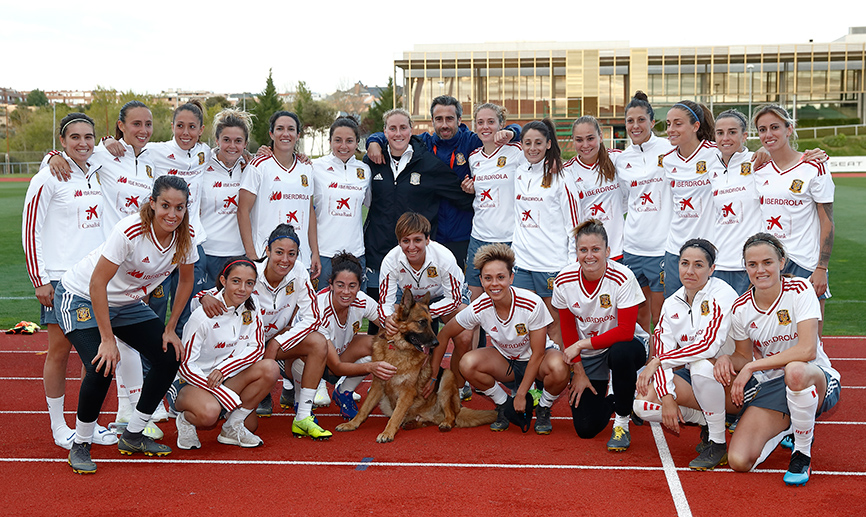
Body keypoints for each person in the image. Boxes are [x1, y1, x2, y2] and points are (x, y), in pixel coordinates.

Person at [54, 175, 196, 474]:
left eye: (179, 208)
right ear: (152, 204)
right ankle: (81, 443)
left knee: (169, 354)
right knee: (101, 363)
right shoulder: (131, 230)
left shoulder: (186, 235)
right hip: (81, 296)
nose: (172, 214)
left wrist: (170, 328)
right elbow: (97, 283)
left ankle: (133, 435)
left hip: (126, 303)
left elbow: (185, 281)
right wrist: (107, 339)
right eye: (165, 206)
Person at [45, 100, 164, 437]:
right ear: (120, 127)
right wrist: (52, 155)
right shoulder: (104, 153)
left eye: (148, 124)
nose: (142, 130)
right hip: (94, 268)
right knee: (91, 348)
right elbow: (73, 153)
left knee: (120, 346)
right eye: (135, 124)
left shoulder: (155, 158)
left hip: (131, 270)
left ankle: (127, 411)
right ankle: (69, 424)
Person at [715, 233, 840, 486]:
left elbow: (807, 351)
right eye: (752, 264)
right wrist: (725, 360)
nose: (760, 270)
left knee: (794, 371)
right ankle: (789, 426)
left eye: (767, 262)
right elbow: (742, 355)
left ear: (782, 262)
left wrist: (752, 365)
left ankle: (802, 453)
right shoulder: (741, 308)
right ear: (746, 267)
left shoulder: (800, 289)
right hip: (773, 387)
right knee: (739, 461)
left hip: (814, 377)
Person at [23, 113, 117, 449]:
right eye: (74, 137)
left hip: (95, 279)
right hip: (61, 281)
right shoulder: (48, 177)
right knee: (59, 352)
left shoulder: (98, 171)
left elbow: (113, 146)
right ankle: (58, 426)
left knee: (94, 356)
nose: (82, 143)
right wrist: (40, 278)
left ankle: (85, 423)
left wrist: (108, 144)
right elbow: (30, 228)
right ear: (62, 142)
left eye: (88, 137)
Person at [198, 224, 332, 439]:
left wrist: (281, 341)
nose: (285, 260)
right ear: (267, 251)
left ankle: (303, 416)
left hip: (274, 344)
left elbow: (313, 317)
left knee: (318, 341)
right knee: (250, 425)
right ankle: (226, 396)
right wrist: (203, 297)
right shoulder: (251, 272)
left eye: (292, 254)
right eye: (279, 252)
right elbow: (210, 293)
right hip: (244, 348)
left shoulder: (299, 272)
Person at [366, 95, 520, 268]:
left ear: (459, 120)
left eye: (450, 119)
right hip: (433, 235)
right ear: (432, 120)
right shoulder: (424, 143)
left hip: (464, 233)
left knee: (467, 284)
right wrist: (373, 141)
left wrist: (513, 132)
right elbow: (397, 135)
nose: (444, 124)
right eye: (439, 119)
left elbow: (516, 132)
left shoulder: (472, 141)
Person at [437, 243, 569, 434]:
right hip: (507, 363)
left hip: (538, 361)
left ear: (511, 278)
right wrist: (433, 377)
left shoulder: (531, 303)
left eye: (501, 277)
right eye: (488, 278)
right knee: (467, 363)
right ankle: (503, 405)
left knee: (560, 367)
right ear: (481, 281)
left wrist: (522, 394)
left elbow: (539, 352)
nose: (495, 284)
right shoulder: (479, 306)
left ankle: (544, 407)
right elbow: (444, 334)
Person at [362, 108, 473, 331]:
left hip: (418, 255)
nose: (398, 133)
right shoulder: (372, 161)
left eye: (403, 127)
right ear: (384, 132)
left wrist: (471, 190)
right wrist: (371, 143)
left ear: (411, 130)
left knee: (422, 328)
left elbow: (460, 196)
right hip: (380, 253)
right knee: (382, 326)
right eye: (392, 128)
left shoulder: (428, 164)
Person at [634, 238, 738, 470]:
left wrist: (658, 362)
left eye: (699, 265)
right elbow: (662, 351)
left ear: (712, 269)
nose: (690, 271)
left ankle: (718, 443)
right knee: (642, 405)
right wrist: (668, 397)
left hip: (733, 379)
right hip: (698, 379)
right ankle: (711, 421)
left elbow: (707, 346)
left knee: (702, 365)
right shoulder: (671, 304)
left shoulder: (722, 294)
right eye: (684, 263)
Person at [551, 219, 648, 451]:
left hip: (625, 347)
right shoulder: (564, 280)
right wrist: (578, 370)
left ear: (607, 251)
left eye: (596, 249)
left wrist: (581, 345)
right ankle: (620, 397)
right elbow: (567, 328)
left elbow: (625, 331)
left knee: (621, 352)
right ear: (576, 252)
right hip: (589, 354)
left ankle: (622, 423)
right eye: (583, 250)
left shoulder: (623, 277)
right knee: (586, 429)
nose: (589, 256)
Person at [173, 257, 279, 449]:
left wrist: (223, 370)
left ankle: (232, 425)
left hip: (225, 376)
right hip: (193, 381)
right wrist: (219, 390)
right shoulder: (203, 316)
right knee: (209, 415)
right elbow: (185, 365)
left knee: (270, 368)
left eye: (249, 283)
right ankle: (185, 419)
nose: (242, 289)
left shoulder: (252, 306)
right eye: (236, 281)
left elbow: (256, 349)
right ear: (223, 281)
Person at [752, 104, 835, 333]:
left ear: (789, 129)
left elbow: (827, 221)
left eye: (775, 127)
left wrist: (821, 267)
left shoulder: (813, 166)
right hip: (770, 263)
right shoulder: (757, 169)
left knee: (811, 341)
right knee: (774, 336)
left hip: (805, 263)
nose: (768, 134)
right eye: (762, 129)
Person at [381, 213, 473, 397]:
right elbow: (385, 303)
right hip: (409, 297)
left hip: (443, 297)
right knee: (388, 328)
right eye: (406, 241)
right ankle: (388, 382)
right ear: (399, 242)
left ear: (428, 239)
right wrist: (388, 318)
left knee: (464, 334)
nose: (412, 247)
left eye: (417, 240)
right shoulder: (390, 261)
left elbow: (454, 299)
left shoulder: (444, 258)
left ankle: (458, 385)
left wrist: (425, 313)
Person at [511, 119, 579, 346]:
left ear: (548, 144)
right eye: (527, 143)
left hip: (552, 265)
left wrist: (570, 266)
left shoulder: (562, 177)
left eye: (538, 143)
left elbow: (574, 226)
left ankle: (561, 377)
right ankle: (533, 378)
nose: (532, 148)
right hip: (521, 264)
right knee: (525, 324)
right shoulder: (518, 171)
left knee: (553, 324)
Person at [238, 111, 320, 279]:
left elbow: (310, 212)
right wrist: (252, 255)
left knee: (296, 304)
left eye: (291, 129)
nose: (285, 134)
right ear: (271, 133)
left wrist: (314, 252)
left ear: (298, 135)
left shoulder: (307, 168)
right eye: (280, 128)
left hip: (299, 259)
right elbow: (242, 211)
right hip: (265, 258)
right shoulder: (258, 166)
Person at [616, 92, 673, 332]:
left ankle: (661, 361)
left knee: (661, 313)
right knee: (639, 313)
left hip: (662, 246)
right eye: (630, 121)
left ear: (652, 121)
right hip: (633, 247)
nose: (635, 126)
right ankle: (642, 365)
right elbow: (623, 202)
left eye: (641, 120)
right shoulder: (621, 159)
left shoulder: (669, 148)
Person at [316, 252, 396, 419]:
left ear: (359, 286)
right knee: (305, 359)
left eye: (352, 286)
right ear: (330, 284)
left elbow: (388, 324)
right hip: (311, 363)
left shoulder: (362, 300)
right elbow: (335, 367)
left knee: (380, 344)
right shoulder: (319, 308)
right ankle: (300, 401)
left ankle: (344, 392)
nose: (346, 292)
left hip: (339, 354)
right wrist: (371, 367)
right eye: (340, 285)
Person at [661, 100, 717, 298]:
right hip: (676, 249)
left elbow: (753, 159)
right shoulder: (667, 160)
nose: (670, 129)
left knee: (709, 311)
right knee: (675, 308)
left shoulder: (716, 153)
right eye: (668, 124)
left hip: (709, 249)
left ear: (696, 126)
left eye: (678, 123)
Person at [312, 116, 371, 288]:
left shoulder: (364, 171)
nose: (343, 146)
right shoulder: (314, 167)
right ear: (330, 141)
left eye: (349, 141)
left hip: (356, 254)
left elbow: (369, 204)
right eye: (338, 140)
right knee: (322, 310)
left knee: (354, 310)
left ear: (357, 142)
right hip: (324, 254)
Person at [199, 108, 254, 291]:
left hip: (239, 254)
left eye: (238, 141)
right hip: (207, 253)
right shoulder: (201, 165)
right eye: (226, 140)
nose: (232, 146)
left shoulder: (251, 168)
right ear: (217, 140)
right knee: (202, 311)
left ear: (245, 143)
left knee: (232, 312)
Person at [564, 115, 626, 260]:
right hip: (590, 256)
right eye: (579, 140)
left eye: (590, 138)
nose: (585, 145)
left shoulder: (617, 159)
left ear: (600, 136)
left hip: (620, 250)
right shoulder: (567, 172)